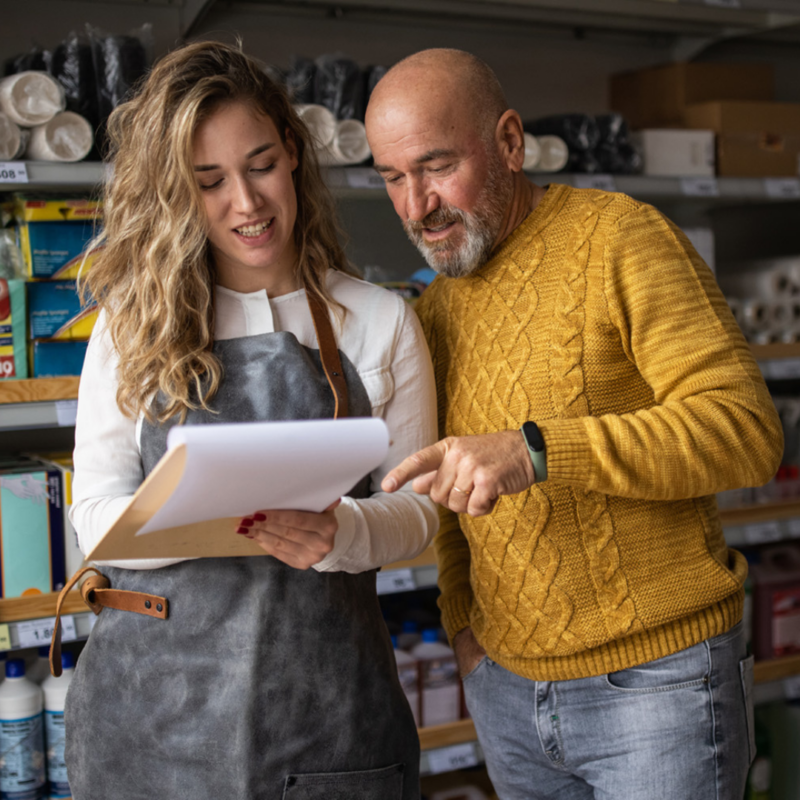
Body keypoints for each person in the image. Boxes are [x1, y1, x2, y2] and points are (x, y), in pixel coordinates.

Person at [365, 48, 783, 800]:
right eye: (393, 177)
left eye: (436, 166)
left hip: (657, 687)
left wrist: (537, 451)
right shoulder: (432, 313)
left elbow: (744, 431)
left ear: (510, 142)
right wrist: (465, 633)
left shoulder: (621, 240)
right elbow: (451, 501)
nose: (416, 205)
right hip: (510, 697)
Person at [64, 40, 437, 800]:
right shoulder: (132, 326)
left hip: (326, 718)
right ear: (175, 193)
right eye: (209, 182)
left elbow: (422, 508)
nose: (247, 202)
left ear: (294, 153)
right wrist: (192, 515)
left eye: (261, 164)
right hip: (151, 722)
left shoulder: (378, 321)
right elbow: (92, 518)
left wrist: (345, 533)